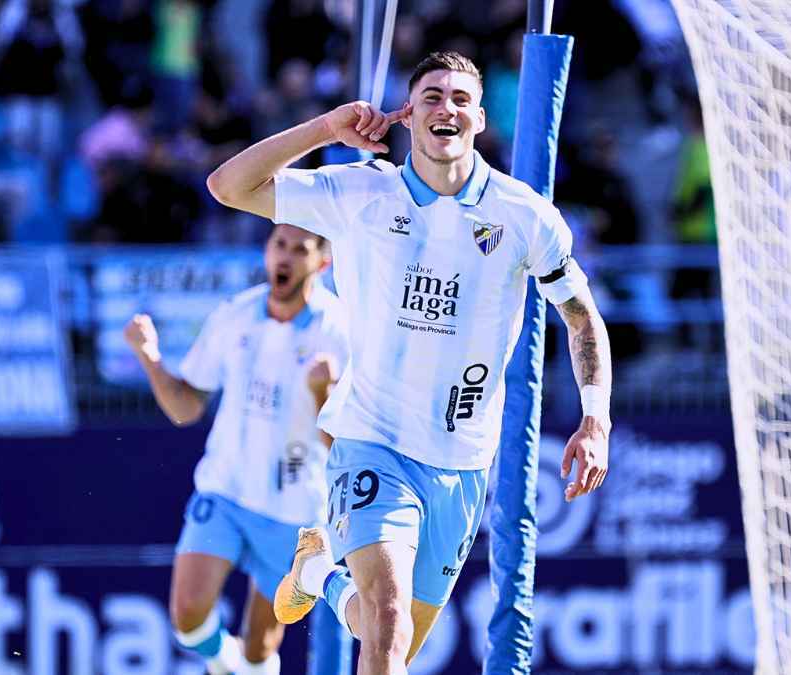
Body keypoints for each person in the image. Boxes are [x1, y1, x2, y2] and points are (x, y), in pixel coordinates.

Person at [206, 51, 613, 674]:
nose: (446, 108)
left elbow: (582, 317)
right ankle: (326, 576)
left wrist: (596, 418)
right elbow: (228, 186)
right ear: (408, 114)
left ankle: (318, 573)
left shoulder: (523, 215)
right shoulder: (361, 191)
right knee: (388, 625)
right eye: (431, 97)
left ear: (480, 118)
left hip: (461, 462)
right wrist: (324, 129)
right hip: (372, 441)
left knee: (391, 642)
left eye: (460, 99)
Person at [123, 222, 352, 675]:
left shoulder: (339, 331)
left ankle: (242, 665)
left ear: (322, 263)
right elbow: (186, 405)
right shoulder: (236, 315)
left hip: (294, 510)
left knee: (260, 649)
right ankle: (221, 661)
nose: (285, 257)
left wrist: (322, 396)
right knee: (187, 615)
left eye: (300, 249)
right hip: (225, 490)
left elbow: (344, 450)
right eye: (279, 244)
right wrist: (149, 358)